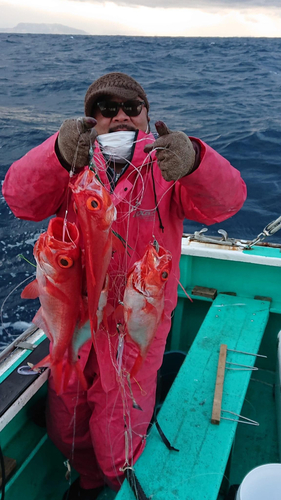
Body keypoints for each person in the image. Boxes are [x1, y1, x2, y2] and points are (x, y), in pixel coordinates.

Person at [2, 72, 247, 499]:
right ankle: (90, 480)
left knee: (117, 433)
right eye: (106, 109)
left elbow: (227, 202)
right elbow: (21, 200)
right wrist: (56, 155)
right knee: (67, 422)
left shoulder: (167, 169)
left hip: (137, 328)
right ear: (90, 121)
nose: (120, 117)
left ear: (147, 117)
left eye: (132, 108)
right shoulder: (73, 166)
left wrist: (195, 162)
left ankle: (121, 484)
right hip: (76, 323)